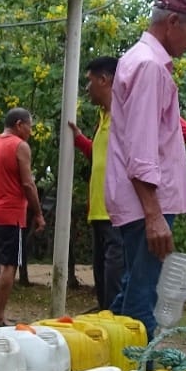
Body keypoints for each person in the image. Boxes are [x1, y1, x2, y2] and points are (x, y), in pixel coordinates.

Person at [105, 0, 186, 337]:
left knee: (130, 294)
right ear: (172, 22)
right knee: (143, 300)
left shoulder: (139, 60)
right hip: (145, 203)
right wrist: (154, 215)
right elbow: (141, 147)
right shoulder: (150, 66)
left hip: (141, 201)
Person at [0, 107, 45, 327]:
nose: (30, 132)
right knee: (9, 265)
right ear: (19, 124)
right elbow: (28, 183)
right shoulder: (20, 146)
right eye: (29, 127)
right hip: (11, 215)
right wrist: (38, 213)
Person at [68, 56, 123, 311]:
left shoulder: (129, 112)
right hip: (98, 210)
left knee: (115, 275)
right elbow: (100, 155)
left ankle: (117, 323)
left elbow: (182, 130)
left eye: (90, 82)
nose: (86, 89)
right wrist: (79, 139)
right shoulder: (104, 115)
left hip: (118, 211)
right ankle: (105, 316)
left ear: (105, 79)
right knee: (101, 273)